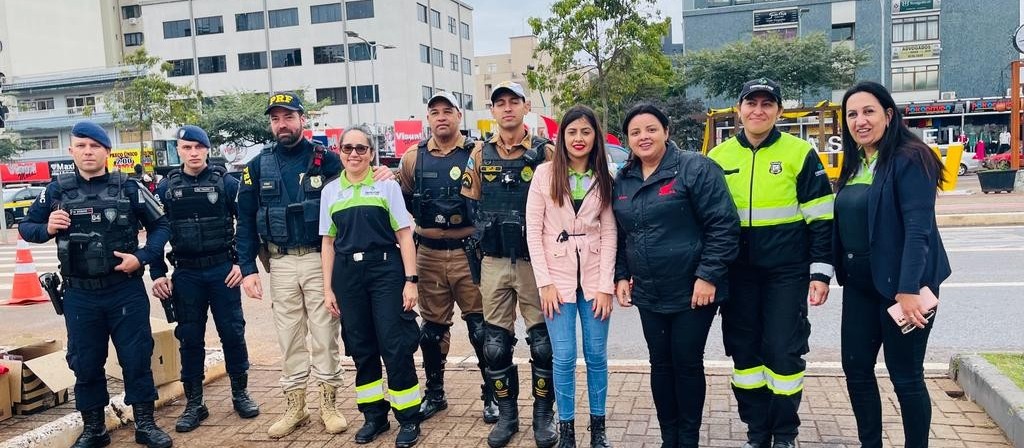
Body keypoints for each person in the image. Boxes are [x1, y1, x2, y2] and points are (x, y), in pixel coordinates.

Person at [237, 92, 391, 438]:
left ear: (302, 119)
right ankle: (296, 407)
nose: (283, 124)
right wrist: (247, 269)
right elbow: (245, 221)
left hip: (320, 259)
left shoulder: (328, 160)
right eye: (276, 119)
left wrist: (383, 173)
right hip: (280, 262)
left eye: (289, 117)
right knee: (289, 336)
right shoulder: (257, 166)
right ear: (271, 124)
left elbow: (358, 177)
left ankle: (329, 403)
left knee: (325, 334)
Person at [19, 121, 173, 448]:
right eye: (81, 146)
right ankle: (94, 428)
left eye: (95, 146)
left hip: (124, 289)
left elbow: (161, 225)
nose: (88, 152)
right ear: (71, 150)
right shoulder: (55, 191)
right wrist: (46, 226)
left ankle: (145, 424)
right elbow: (26, 228)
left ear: (107, 151)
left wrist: (142, 257)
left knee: (136, 357)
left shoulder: (129, 188)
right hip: (79, 295)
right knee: (85, 361)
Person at [706, 78, 834, 448]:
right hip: (737, 274)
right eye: (751, 103)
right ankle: (757, 432)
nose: (758, 110)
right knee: (745, 356)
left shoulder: (799, 153)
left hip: (786, 272)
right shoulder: (718, 158)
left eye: (767, 104)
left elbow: (821, 218)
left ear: (778, 111)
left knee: (782, 350)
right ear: (738, 109)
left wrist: (820, 272)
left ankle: (784, 434)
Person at [613, 104, 740, 447]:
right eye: (636, 132)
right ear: (628, 139)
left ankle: (688, 438)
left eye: (651, 129)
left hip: (692, 290)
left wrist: (709, 275)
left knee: (685, 362)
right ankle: (669, 436)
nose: (644, 137)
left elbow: (724, 225)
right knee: (660, 364)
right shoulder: (623, 179)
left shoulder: (695, 168)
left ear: (666, 132)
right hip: (649, 293)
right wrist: (621, 276)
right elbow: (620, 234)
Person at [835, 81, 951, 448]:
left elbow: (919, 230)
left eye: (868, 111)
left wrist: (909, 289)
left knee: (905, 376)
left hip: (903, 288)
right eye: (852, 114)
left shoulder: (911, 157)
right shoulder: (856, 161)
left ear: (888, 115)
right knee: (856, 369)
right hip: (860, 286)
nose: (860, 120)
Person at [460, 81, 557, 448]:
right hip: (495, 260)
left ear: (526, 105)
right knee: (495, 344)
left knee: (542, 344)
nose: (507, 108)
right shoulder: (480, 154)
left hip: (535, 263)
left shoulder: (546, 153)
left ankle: (543, 417)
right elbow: (472, 204)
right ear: (492, 110)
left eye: (513, 101)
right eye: (499, 103)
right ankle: (508, 416)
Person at [150, 125, 259, 433]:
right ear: (179, 150)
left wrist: (241, 263)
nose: (193, 153)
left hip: (222, 271)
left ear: (207, 149)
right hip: (186, 273)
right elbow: (154, 231)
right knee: (190, 339)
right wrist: (158, 272)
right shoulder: (165, 187)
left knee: (233, 334)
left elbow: (247, 223)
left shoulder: (226, 183)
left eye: (199, 147)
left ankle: (240, 394)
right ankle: (195, 403)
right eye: (187, 147)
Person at [397, 91, 498, 423]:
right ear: (428, 118)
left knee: (481, 329)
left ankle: (492, 395)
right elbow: (401, 199)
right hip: (427, 254)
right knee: (432, 331)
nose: (441, 117)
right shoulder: (413, 157)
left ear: (459, 115)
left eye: (447, 111)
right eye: (434, 111)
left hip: (469, 253)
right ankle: (435, 393)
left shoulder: (478, 153)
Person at [320, 125, 423, 447]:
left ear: (371, 153)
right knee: (362, 349)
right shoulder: (330, 191)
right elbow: (328, 242)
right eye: (348, 148)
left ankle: (408, 418)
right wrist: (328, 289)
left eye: (361, 148)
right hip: (347, 275)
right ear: (339, 151)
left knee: (395, 346)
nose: (354, 154)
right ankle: (374, 416)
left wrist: (410, 281)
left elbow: (405, 235)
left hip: (386, 271)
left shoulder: (386, 186)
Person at [525, 105, 616, 448]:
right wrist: (545, 283)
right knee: (562, 357)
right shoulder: (545, 175)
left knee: (596, 356)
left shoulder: (605, 175)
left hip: (594, 281)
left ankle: (599, 429)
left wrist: (606, 286)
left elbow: (610, 234)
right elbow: (533, 233)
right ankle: (566, 430)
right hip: (557, 283)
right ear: (561, 136)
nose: (579, 139)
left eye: (586, 132)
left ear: (596, 137)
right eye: (572, 132)